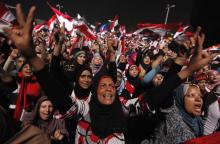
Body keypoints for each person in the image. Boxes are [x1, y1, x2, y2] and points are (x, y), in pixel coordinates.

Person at [3, 4, 211, 143]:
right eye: (101, 85)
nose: (108, 87)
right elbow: (57, 94)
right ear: (94, 90)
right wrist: (31, 55)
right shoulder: (84, 111)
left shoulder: (125, 110)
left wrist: (188, 68)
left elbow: (157, 95)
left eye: (111, 84)